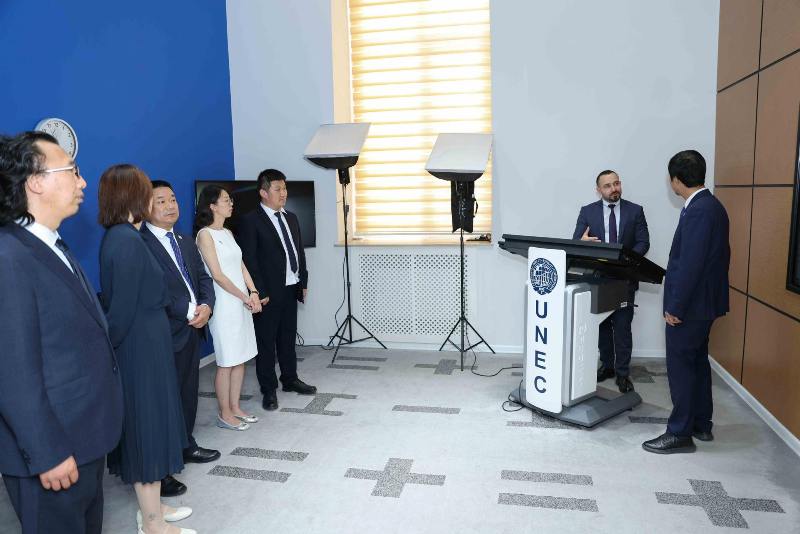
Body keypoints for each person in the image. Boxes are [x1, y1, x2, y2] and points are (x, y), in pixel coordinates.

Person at [0, 132, 123, 534]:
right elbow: (12, 372)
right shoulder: (8, 257)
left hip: (83, 437)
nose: (83, 181)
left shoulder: (53, 245)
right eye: (72, 171)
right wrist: (47, 452)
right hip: (53, 451)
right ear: (35, 181)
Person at [98, 164, 195, 534]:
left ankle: (153, 508)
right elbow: (120, 312)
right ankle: (153, 523)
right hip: (139, 351)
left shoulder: (129, 236)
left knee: (155, 427)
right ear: (131, 195)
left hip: (151, 345)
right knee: (147, 431)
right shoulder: (124, 240)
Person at [643, 150, 729, 454]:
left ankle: (679, 433)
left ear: (676, 180)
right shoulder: (710, 206)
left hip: (691, 307)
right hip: (703, 304)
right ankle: (701, 423)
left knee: (681, 367)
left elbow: (691, 264)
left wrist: (676, 307)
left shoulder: (699, 210)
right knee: (697, 363)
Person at [141, 180, 220, 497]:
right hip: (162, 333)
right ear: (145, 206)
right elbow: (151, 290)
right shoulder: (141, 243)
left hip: (192, 329)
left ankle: (185, 444)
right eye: (160, 201)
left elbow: (202, 277)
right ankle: (163, 467)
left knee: (188, 392)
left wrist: (207, 306)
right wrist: (187, 310)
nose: (170, 205)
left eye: (172, 199)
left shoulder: (185, 240)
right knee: (164, 401)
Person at [239, 168, 316, 411]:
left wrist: (303, 281)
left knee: (287, 337)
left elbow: (299, 252)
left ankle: (290, 379)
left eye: (284, 188)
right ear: (263, 192)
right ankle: (268, 389)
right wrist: (259, 292)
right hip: (268, 293)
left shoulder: (291, 217)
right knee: (266, 342)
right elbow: (250, 260)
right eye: (277, 189)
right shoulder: (250, 220)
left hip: (291, 286)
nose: (283, 193)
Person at [572, 169, 650, 393]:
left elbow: (643, 242)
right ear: (598, 190)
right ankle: (607, 366)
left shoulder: (635, 211)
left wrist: (626, 262)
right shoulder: (587, 212)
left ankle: (623, 374)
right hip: (598, 280)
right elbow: (576, 241)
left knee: (623, 328)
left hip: (625, 279)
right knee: (603, 327)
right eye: (607, 186)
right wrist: (583, 243)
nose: (614, 189)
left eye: (616, 183)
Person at [194, 185, 261, 431]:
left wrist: (254, 292)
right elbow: (218, 275)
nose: (231, 203)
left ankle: (235, 407)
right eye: (225, 200)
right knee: (226, 360)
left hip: (241, 300)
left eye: (230, 199)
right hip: (224, 304)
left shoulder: (228, 232)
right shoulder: (205, 235)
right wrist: (245, 297)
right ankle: (224, 414)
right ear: (212, 206)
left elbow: (241, 266)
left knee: (240, 357)